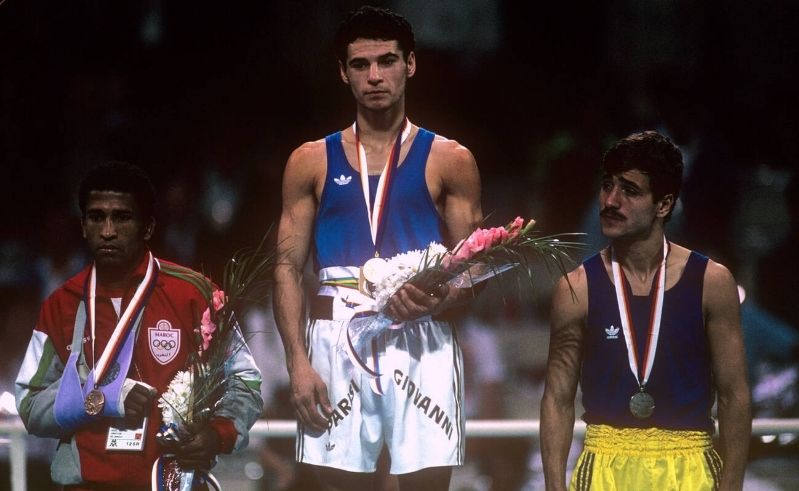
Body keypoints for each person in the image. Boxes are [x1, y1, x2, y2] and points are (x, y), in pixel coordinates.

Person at [273, 6, 482, 490]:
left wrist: (440, 298)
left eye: (386, 61)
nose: (374, 76)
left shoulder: (450, 159)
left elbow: (475, 268)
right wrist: (297, 362)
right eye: (360, 64)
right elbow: (285, 268)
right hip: (334, 336)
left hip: (421, 335)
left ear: (410, 64)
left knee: (427, 486)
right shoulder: (309, 161)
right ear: (342, 72)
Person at [15, 161, 263, 489]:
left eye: (122, 217)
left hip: (170, 481)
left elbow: (246, 380)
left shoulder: (194, 294)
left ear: (148, 228)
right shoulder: (62, 304)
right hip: (87, 484)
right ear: (83, 226)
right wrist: (100, 399)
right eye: (96, 217)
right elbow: (29, 403)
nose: (107, 231)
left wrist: (218, 434)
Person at [540, 131, 751, 490]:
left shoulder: (712, 283)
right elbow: (557, 399)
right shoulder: (576, 288)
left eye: (629, 190)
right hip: (605, 472)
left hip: (690, 473)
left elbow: (734, 395)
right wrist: (554, 487)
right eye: (607, 186)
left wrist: (731, 485)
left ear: (664, 205)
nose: (611, 200)